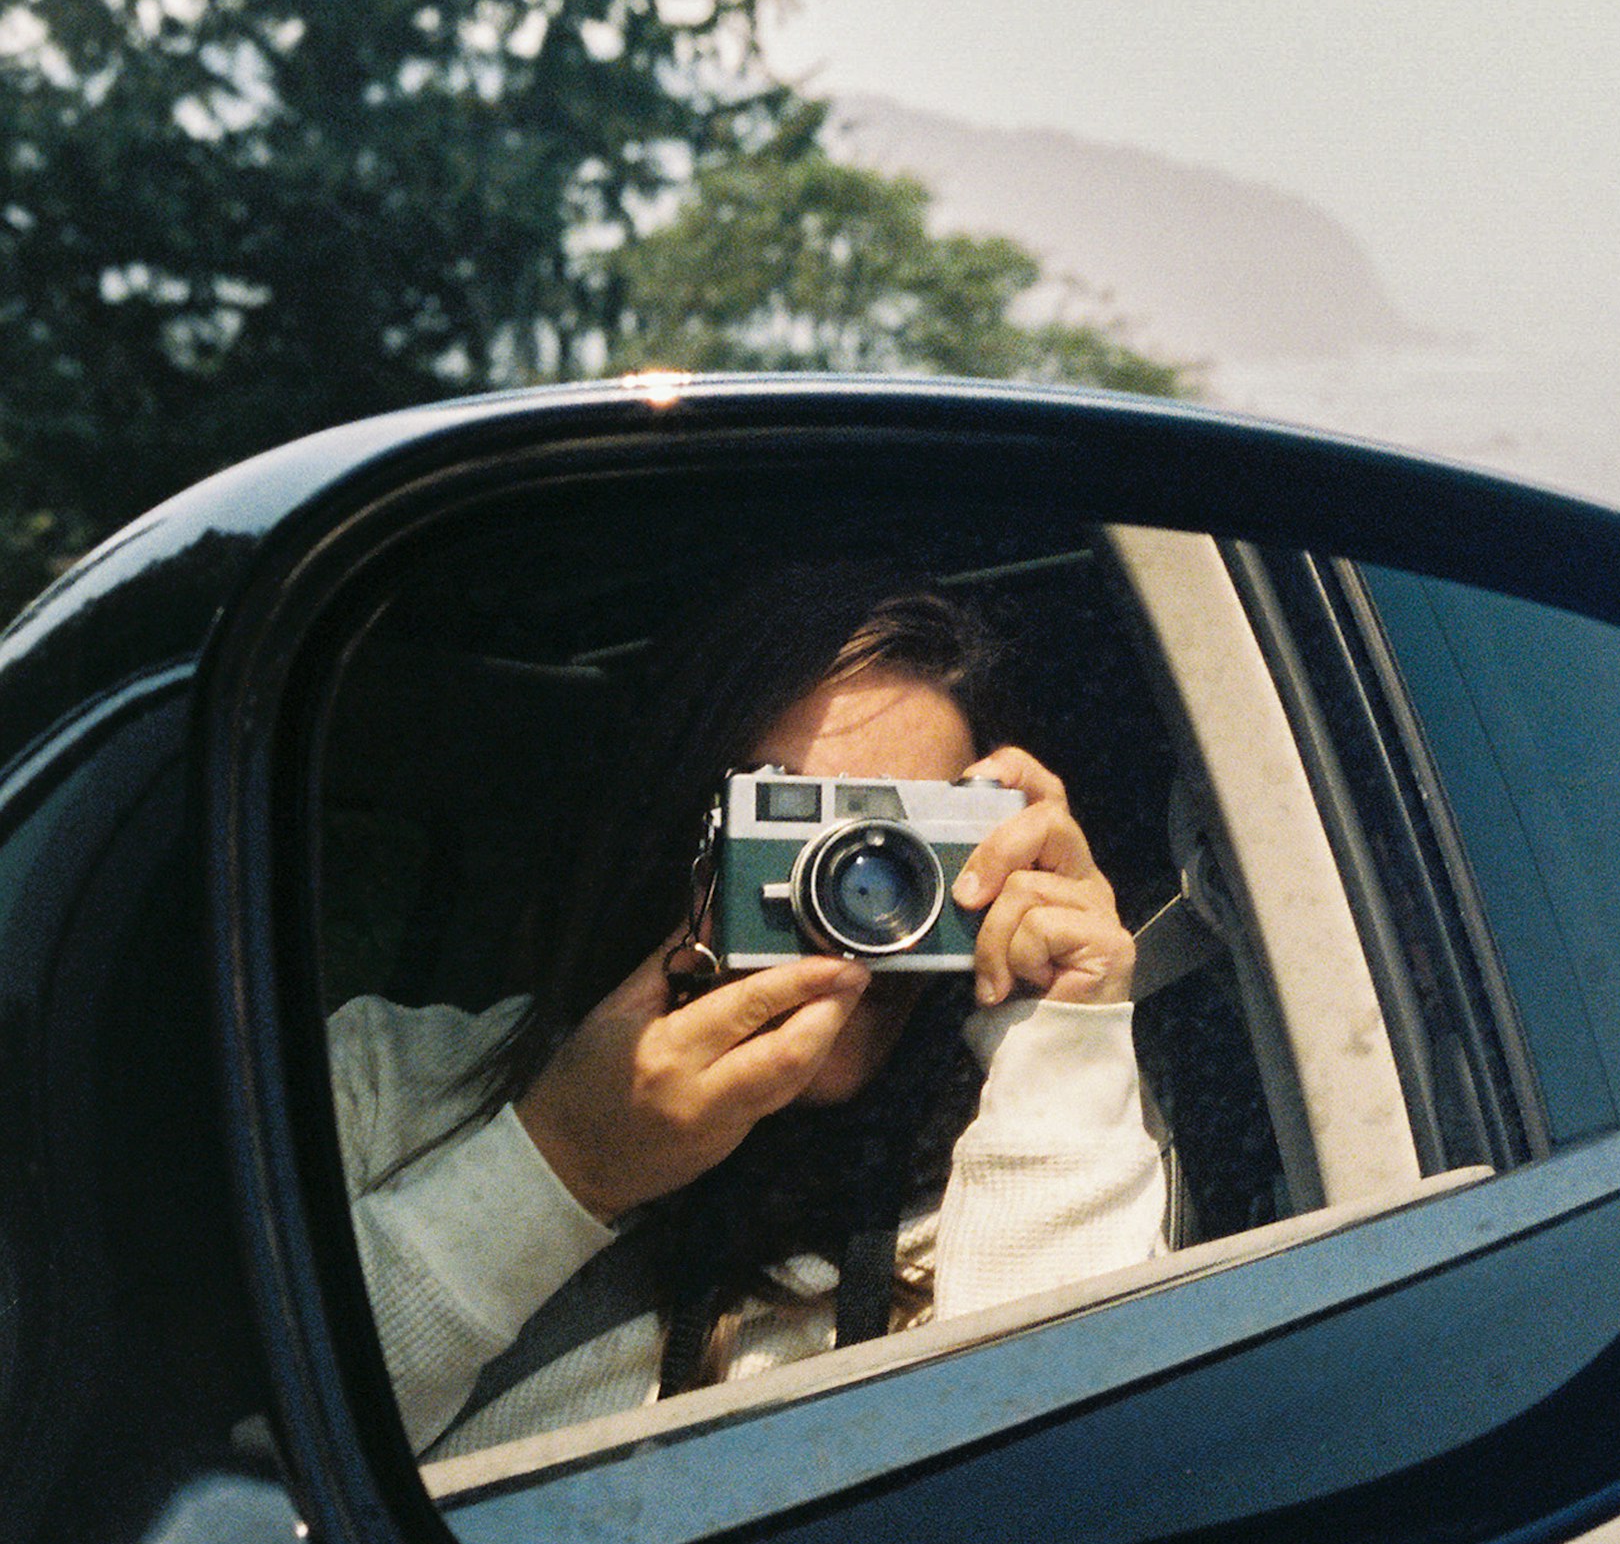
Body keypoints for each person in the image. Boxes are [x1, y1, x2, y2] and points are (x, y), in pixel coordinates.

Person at [330, 566, 1174, 1463]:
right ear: (673, 828)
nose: (853, 886)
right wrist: (561, 1163)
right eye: (788, 813)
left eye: (906, 839)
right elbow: (251, 1431)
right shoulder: (383, 1079)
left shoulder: (1029, 1157)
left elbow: (1067, 1478)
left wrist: (1062, 1038)